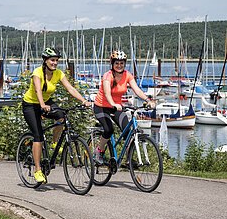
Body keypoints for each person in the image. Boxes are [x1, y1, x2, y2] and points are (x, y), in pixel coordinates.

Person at [22, 47, 92, 183]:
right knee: (38, 136)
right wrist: (42, 105)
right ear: (45, 61)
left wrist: (83, 100)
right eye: (52, 60)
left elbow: (70, 88)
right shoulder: (37, 73)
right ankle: (37, 170)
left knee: (62, 116)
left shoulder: (58, 73)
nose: (54, 63)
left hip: (46, 102)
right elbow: (37, 90)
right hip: (31, 104)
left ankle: (55, 143)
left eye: (56, 60)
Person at [92, 50, 156, 164]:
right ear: (112, 64)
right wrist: (113, 104)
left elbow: (137, 90)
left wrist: (148, 100)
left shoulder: (127, 75)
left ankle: (129, 159)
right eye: (117, 63)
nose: (119, 65)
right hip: (101, 106)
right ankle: (99, 151)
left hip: (117, 107)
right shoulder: (108, 76)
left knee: (128, 131)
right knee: (108, 129)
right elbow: (107, 93)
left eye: (122, 63)